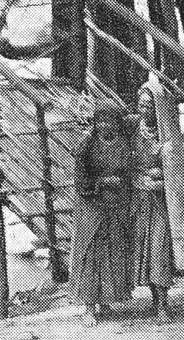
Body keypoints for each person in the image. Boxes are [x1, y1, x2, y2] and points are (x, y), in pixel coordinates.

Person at [68, 101, 134, 326]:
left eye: (110, 121)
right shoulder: (87, 143)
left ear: (117, 123)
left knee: (110, 252)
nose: (105, 125)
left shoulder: (122, 144)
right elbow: (80, 180)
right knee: (90, 253)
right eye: (101, 121)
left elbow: (128, 172)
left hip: (113, 204)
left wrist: (120, 184)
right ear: (95, 123)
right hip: (91, 206)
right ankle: (89, 307)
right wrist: (103, 182)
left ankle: (105, 299)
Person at [131, 84, 177, 321]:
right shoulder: (132, 129)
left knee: (159, 249)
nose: (144, 110)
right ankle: (152, 300)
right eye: (141, 105)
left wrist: (160, 177)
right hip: (138, 201)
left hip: (160, 202)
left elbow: (178, 171)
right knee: (142, 252)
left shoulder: (167, 135)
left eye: (149, 106)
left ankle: (162, 305)